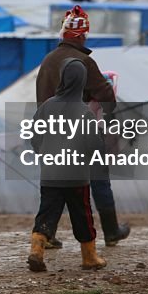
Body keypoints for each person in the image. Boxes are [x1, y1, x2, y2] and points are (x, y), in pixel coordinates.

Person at [36, 5, 131, 248]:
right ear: (80, 36)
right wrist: (109, 117)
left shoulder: (47, 61)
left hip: (52, 134)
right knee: (99, 181)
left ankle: (46, 234)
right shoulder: (83, 62)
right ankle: (111, 230)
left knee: (55, 186)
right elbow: (106, 92)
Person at [26, 59, 107, 272]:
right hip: (76, 176)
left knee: (46, 213)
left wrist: (46, 156)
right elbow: (94, 146)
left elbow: (35, 138)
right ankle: (89, 257)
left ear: (62, 79)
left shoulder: (47, 107)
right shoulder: (84, 112)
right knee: (83, 216)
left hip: (50, 174)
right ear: (82, 82)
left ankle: (36, 251)